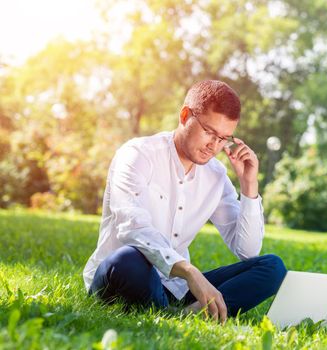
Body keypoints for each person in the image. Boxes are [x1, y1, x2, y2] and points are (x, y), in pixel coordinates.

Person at [83, 80, 287, 323]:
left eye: (223, 138)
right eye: (209, 132)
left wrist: (249, 186)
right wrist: (190, 272)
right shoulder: (137, 154)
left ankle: (181, 314)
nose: (214, 145)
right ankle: (180, 314)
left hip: (175, 288)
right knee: (128, 258)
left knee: (272, 268)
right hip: (124, 276)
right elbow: (133, 226)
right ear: (184, 115)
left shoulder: (216, 175)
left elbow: (247, 250)